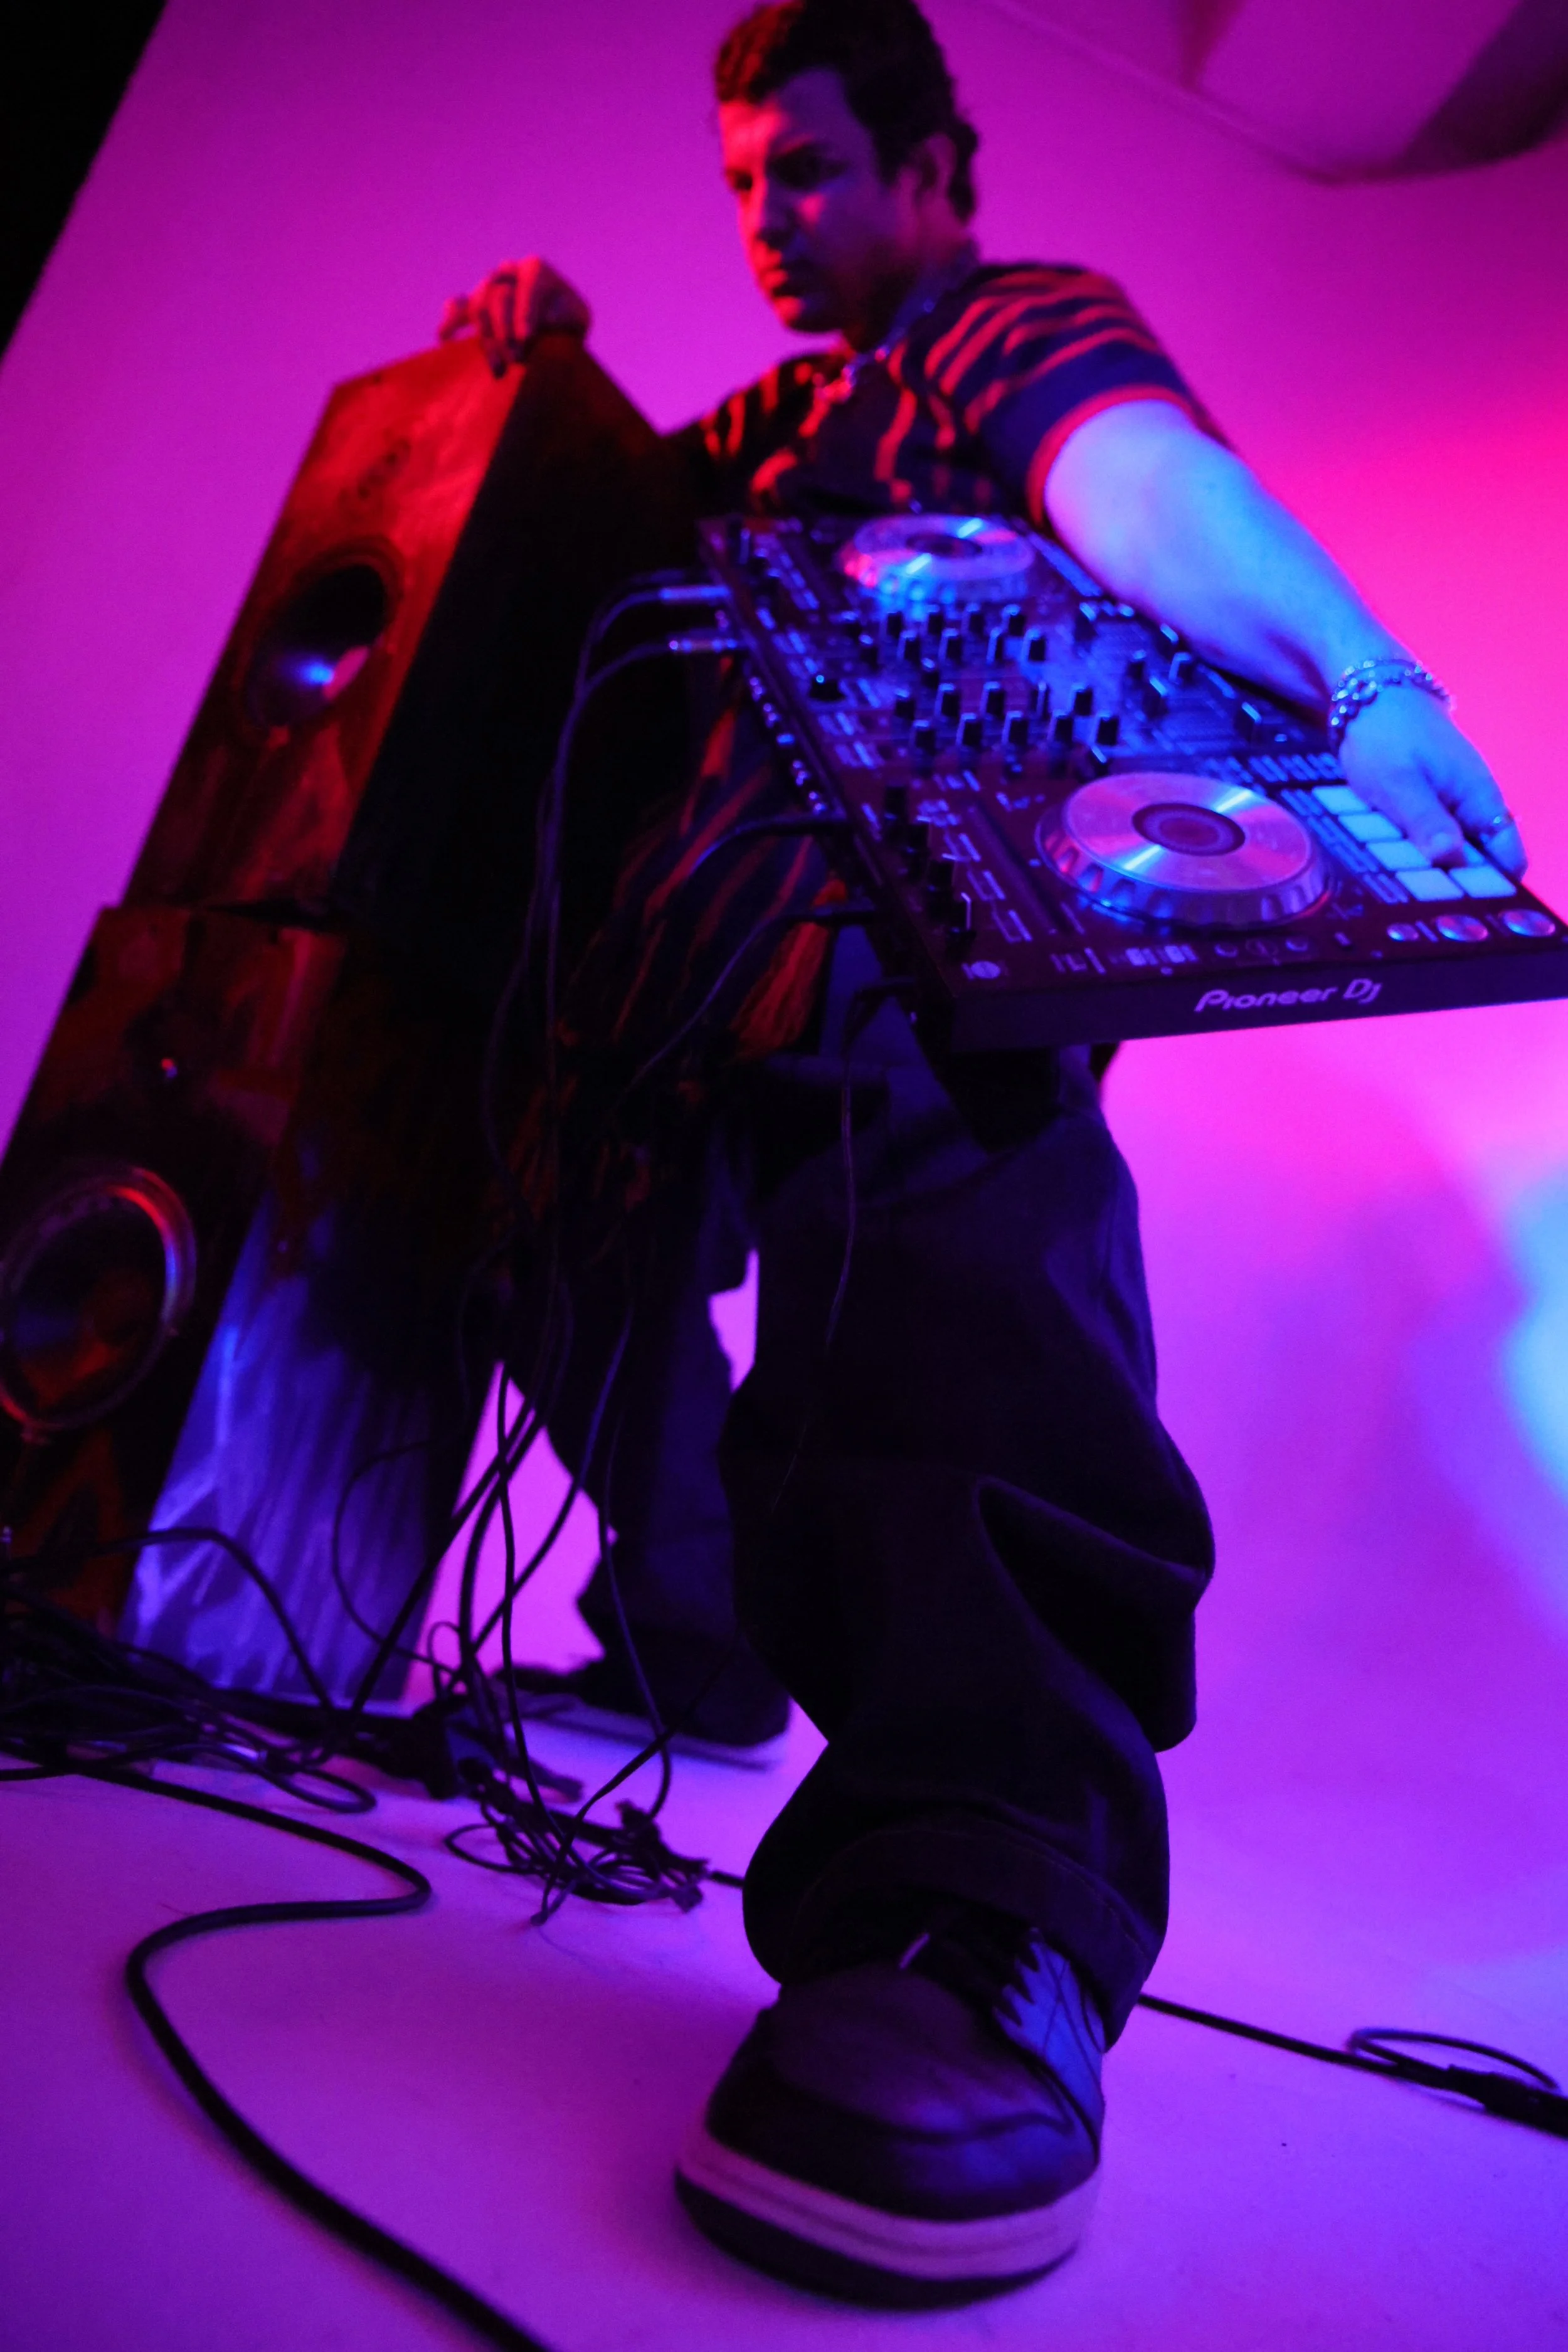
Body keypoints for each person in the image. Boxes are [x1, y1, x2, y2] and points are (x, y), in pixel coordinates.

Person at [440, 0, 1520, 2308]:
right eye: (740, 183)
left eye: (809, 172)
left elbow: (1126, 467)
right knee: (504, 1204)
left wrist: (1367, 687)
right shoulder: (765, 425)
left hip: (891, 938)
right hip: (658, 965)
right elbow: (603, 512)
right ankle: (699, 1636)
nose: (769, 220)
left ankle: (987, 1897)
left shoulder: (995, 324)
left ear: (935, 170)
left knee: (936, 1191)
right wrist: (524, 370)